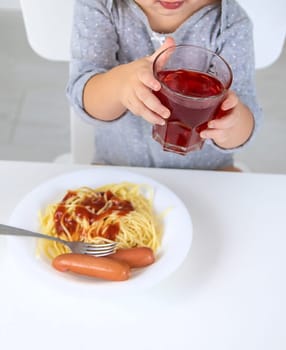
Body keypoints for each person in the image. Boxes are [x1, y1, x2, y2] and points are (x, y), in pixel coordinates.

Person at [66, 0, 262, 170]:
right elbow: (83, 97)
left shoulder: (230, 24)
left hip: (206, 174)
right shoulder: (101, 6)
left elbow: (246, 117)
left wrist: (233, 124)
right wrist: (120, 85)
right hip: (118, 166)